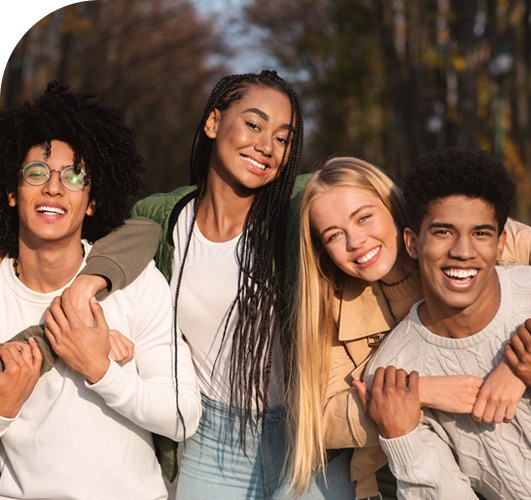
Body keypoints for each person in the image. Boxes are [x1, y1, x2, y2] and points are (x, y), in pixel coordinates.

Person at [132, 70, 356, 499]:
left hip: (307, 437)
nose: (266, 147)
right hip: (210, 441)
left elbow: (376, 208)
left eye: (283, 138)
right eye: (254, 124)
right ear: (214, 123)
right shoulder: (163, 218)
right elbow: (107, 244)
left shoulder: (297, 209)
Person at [0, 82, 201, 499]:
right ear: (12, 192)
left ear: (92, 201)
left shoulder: (136, 281)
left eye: (75, 176)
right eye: (36, 172)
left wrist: (100, 369)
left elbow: (183, 415)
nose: (54, 188)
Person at [289, 155, 531, 498]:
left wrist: (517, 362)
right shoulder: (333, 309)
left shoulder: (459, 229)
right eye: (334, 235)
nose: (355, 241)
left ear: (393, 210)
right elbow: (322, 418)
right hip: (401, 452)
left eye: (365, 218)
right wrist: (418, 392)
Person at [359, 146, 531, 499]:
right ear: (411, 242)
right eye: (443, 232)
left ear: (500, 245)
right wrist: (402, 438)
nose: (463, 251)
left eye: (481, 234)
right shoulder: (398, 371)